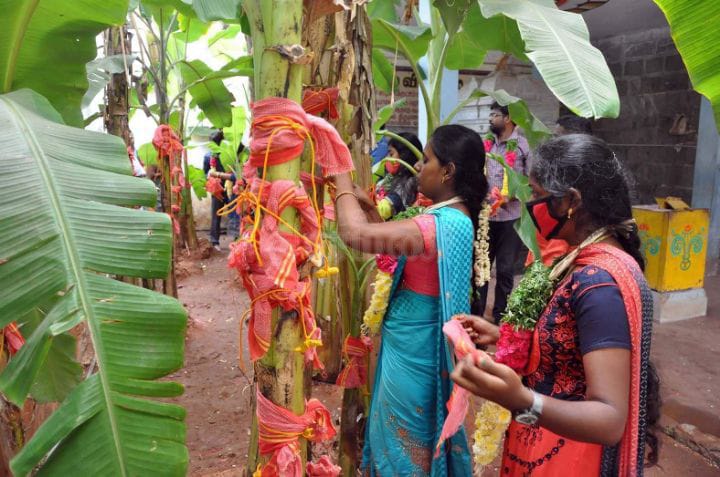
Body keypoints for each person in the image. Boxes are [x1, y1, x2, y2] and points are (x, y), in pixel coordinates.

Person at [452, 134, 660, 477]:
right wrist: (503, 337)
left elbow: (609, 420)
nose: (529, 204)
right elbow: (568, 350)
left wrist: (522, 401)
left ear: (570, 202)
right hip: (544, 447)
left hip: (568, 459)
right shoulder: (576, 261)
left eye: (536, 194)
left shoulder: (599, 283)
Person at [332, 125, 488, 476]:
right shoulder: (452, 219)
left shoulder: (438, 225)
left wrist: (340, 177)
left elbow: (355, 236)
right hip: (412, 348)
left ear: (447, 171)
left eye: (427, 160)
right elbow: (401, 252)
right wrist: (370, 207)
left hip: (413, 358)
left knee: (404, 448)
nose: (420, 168)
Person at [474, 102, 531, 322]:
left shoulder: (522, 146)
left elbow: (530, 183)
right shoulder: (485, 145)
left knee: (506, 269)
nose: (490, 119)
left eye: (495, 115)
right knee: (482, 268)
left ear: (508, 119)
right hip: (486, 216)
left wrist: (511, 196)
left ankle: (499, 316)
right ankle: (477, 313)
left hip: (511, 218)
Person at [375, 132, 422, 220]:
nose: (387, 158)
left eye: (391, 154)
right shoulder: (388, 178)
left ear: (404, 155)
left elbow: (383, 210)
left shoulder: (410, 182)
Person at [204, 130, 234, 251]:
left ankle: (238, 238)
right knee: (216, 214)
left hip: (231, 186)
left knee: (235, 213)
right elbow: (206, 172)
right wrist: (211, 178)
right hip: (217, 189)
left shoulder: (229, 154)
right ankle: (214, 241)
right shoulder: (208, 156)